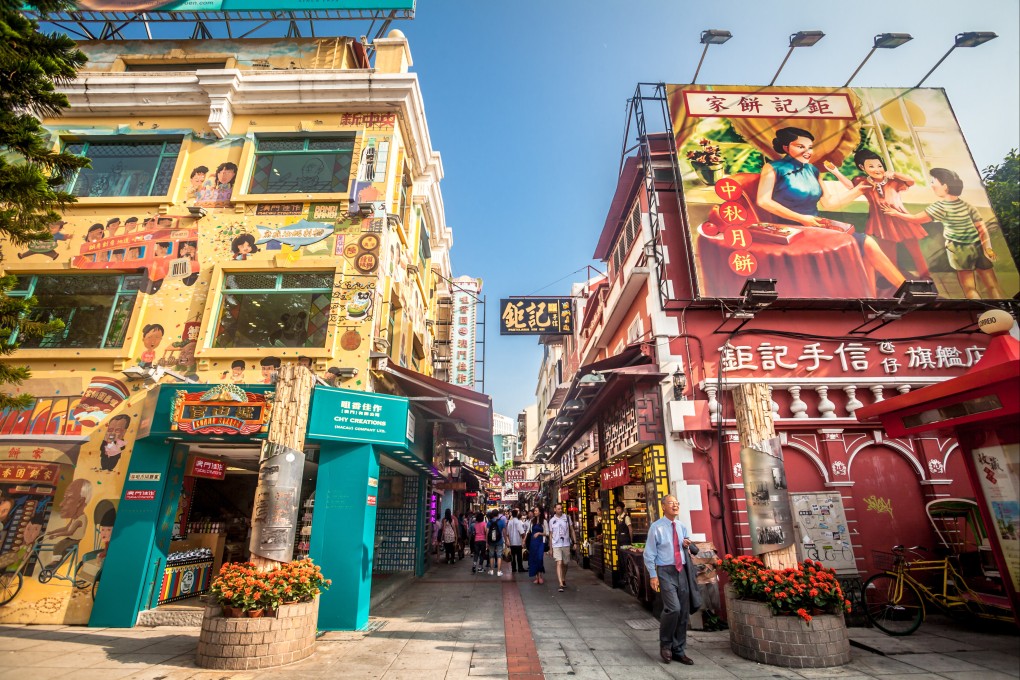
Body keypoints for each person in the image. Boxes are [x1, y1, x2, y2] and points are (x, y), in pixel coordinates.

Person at [755, 127, 906, 293]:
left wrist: (858, 191)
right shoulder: (772, 168)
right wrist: (801, 218)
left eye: (810, 147)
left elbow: (829, 203)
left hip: (815, 226)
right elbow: (763, 201)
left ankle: (875, 296)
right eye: (800, 146)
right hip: (787, 229)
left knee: (865, 244)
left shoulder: (812, 170)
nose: (807, 152)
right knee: (865, 245)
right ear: (786, 147)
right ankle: (903, 290)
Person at [884, 167, 1005, 300]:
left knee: (969, 287)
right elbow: (982, 229)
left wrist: (896, 214)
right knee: (993, 285)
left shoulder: (940, 207)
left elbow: (917, 219)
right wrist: (988, 248)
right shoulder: (968, 206)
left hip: (959, 249)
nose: (932, 185)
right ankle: (1004, 311)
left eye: (933, 181)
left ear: (945, 186)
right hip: (978, 246)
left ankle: (979, 313)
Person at [825, 148, 930, 277]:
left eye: (879, 165)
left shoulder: (893, 181)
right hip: (881, 223)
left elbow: (910, 181)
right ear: (862, 167)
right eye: (871, 166)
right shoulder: (863, 182)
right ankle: (893, 281)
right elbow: (851, 187)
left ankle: (926, 278)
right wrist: (836, 172)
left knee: (916, 253)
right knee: (888, 256)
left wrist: (894, 174)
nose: (877, 169)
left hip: (902, 220)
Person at [643, 495, 701, 666]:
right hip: (665, 572)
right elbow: (649, 554)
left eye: (677, 503)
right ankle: (666, 645)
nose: (675, 506)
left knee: (683, 612)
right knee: (673, 608)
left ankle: (679, 650)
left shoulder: (681, 526)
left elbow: (687, 546)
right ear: (663, 507)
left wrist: (686, 544)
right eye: (671, 503)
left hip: (682, 570)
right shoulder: (656, 527)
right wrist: (653, 575)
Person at [549, 502, 576, 592]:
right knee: (559, 563)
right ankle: (560, 583)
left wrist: (575, 542)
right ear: (555, 509)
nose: (560, 510)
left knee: (565, 563)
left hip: (566, 544)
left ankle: (563, 578)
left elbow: (572, 530)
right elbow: (550, 535)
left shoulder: (567, 518)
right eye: (558, 509)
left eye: (561, 508)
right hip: (556, 544)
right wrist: (550, 548)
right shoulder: (552, 520)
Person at [527, 507, 547, 585]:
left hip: (541, 542)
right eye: (534, 511)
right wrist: (524, 540)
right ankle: (536, 577)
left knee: (539, 558)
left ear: (540, 512)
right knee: (534, 558)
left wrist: (539, 533)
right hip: (533, 542)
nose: (534, 512)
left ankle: (540, 575)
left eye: (536, 511)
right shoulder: (532, 521)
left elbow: (547, 533)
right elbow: (528, 531)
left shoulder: (544, 522)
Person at [505, 508, 526, 573]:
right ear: (517, 514)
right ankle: (520, 568)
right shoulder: (518, 522)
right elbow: (522, 532)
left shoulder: (510, 522)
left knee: (513, 556)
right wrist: (523, 539)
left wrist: (508, 541)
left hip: (512, 542)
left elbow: (507, 533)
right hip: (518, 542)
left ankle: (513, 568)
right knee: (519, 556)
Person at [486, 509, 505, 576]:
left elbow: (487, 532)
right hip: (499, 540)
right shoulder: (502, 522)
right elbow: (504, 532)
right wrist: (506, 539)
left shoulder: (489, 522)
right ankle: (499, 571)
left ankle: (491, 570)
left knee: (491, 555)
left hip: (491, 541)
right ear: (498, 514)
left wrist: (486, 541)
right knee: (499, 555)